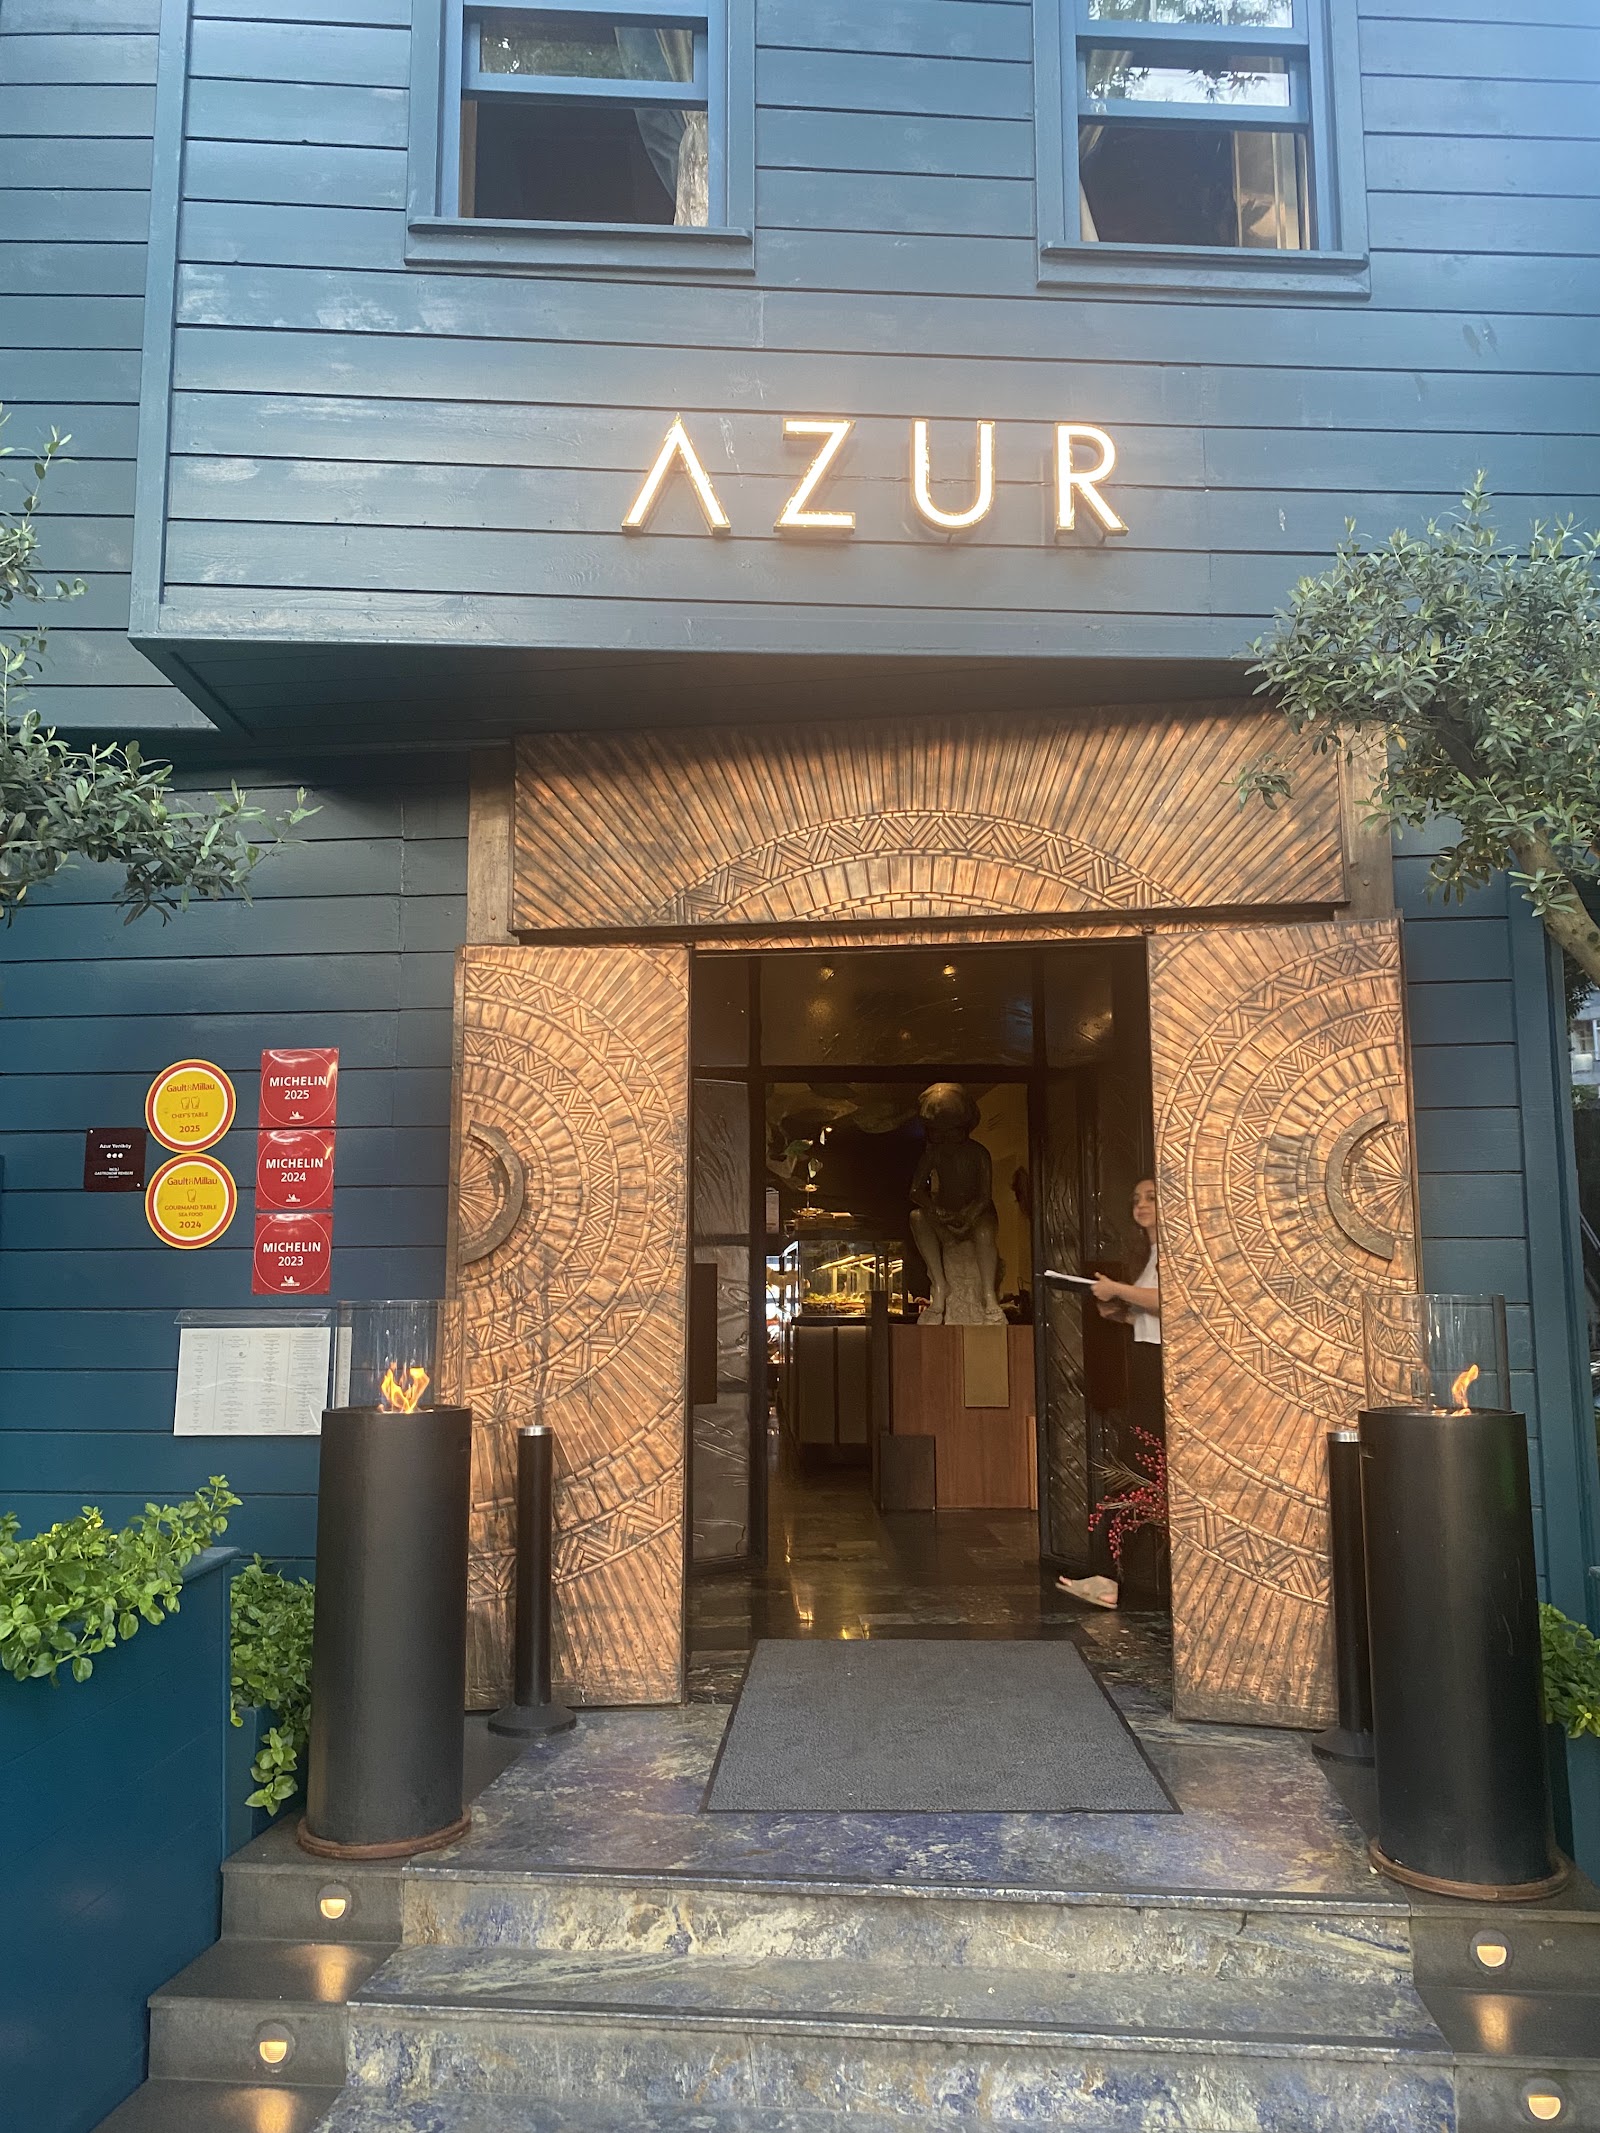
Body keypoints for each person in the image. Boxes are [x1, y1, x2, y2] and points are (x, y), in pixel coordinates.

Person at [1057, 1176, 1161, 1610]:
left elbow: (1173, 1301)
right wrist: (1118, 1314)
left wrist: (1117, 1290)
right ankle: (1109, 1575)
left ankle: (1112, 1577)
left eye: (1151, 1197)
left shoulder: (1179, 1250)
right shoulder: (1151, 1254)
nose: (1141, 1205)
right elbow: (1152, 1315)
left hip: (1163, 1369)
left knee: (1138, 1467)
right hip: (1146, 1360)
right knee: (1134, 1468)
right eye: (1135, 1198)